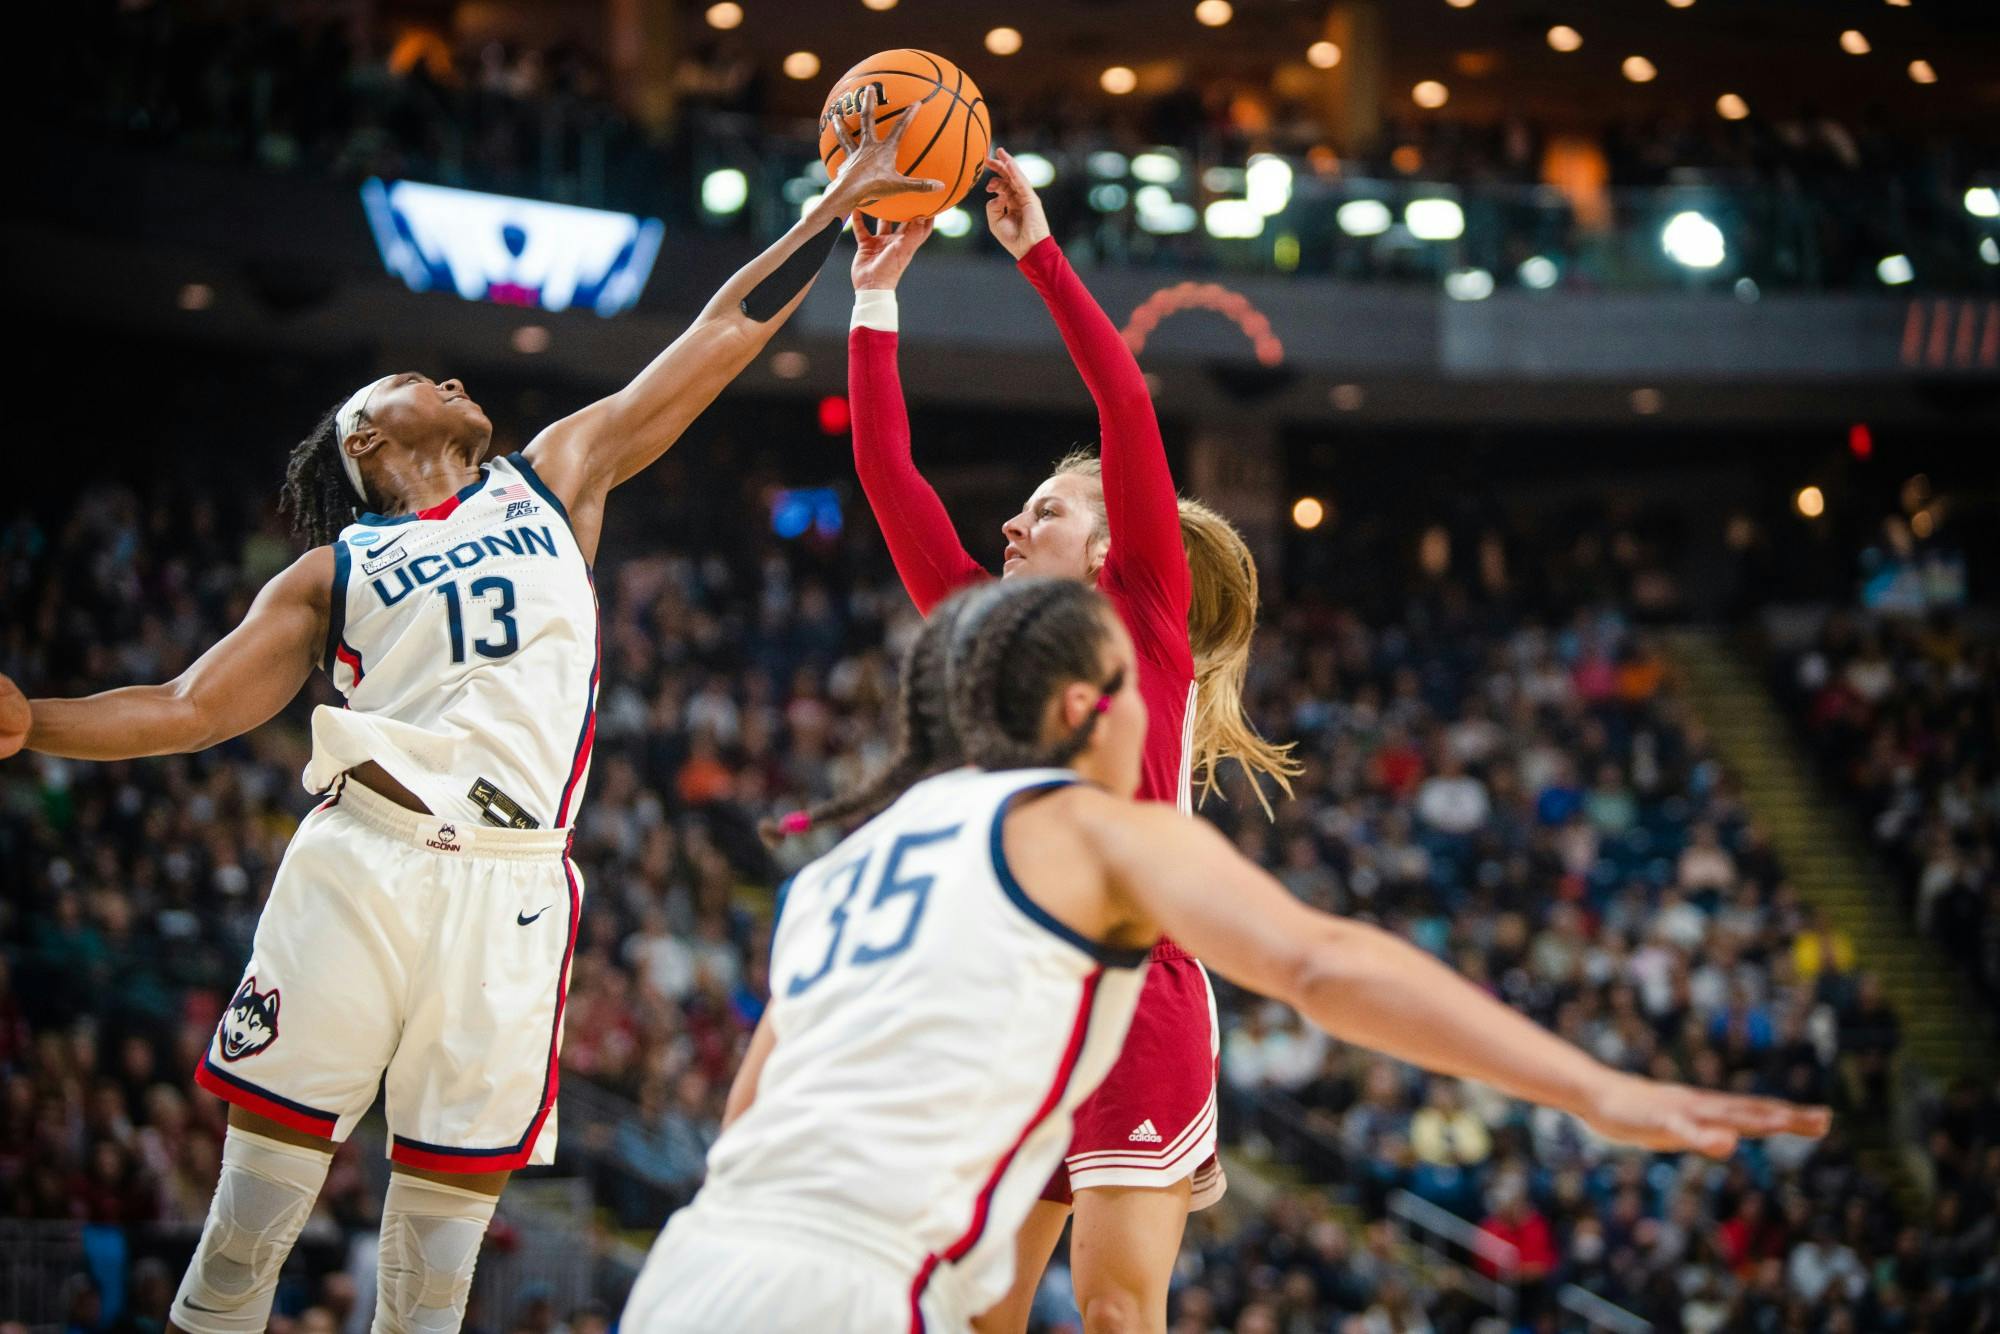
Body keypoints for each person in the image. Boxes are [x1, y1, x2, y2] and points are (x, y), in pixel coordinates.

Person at [0, 88, 938, 1334]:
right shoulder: (332, 571)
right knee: (239, 1243)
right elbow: (187, 704)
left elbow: (714, 337)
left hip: (514, 889)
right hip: (363, 860)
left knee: (433, 1283)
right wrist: (32, 720)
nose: (447, 374)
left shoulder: (551, 478)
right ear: (364, 440)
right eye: (411, 380)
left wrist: (831, 213)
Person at [622, 578, 1831, 1333]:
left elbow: (744, 1117)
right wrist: (1592, 1087)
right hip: (858, 1290)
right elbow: (1319, 965)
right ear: (1089, 707)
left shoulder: (842, 864)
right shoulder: (1093, 827)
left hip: (693, 1267)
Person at [842, 146, 1300, 1334]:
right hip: (1016, 997)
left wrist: (1037, 256)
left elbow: (1126, 405)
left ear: (1106, 544)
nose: (1008, 519)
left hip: (1136, 986)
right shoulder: (984, 633)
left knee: (1110, 1309)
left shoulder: (1142, 606)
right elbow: (892, 477)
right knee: (974, 1316)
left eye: (1042, 508)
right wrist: (874, 298)